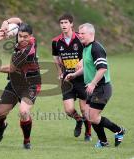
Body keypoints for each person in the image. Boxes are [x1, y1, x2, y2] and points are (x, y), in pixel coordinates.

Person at [65, 23, 125, 148]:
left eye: (83, 33)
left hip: (101, 88)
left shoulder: (96, 48)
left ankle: (118, 130)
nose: (80, 36)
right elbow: (87, 67)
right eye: (79, 33)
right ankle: (103, 142)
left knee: (92, 117)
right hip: (93, 88)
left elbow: (102, 69)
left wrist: (93, 83)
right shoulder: (86, 47)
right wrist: (75, 74)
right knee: (88, 116)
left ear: (91, 34)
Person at [0, 18, 41, 149]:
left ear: (31, 37)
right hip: (14, 83)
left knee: (24, 111)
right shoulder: (19, 37)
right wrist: (6, 25)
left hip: (31, 84)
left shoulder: (27, 50)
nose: (23, 39)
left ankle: (26, 140)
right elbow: (18, 20)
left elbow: (11, 68)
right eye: (20, 36)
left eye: (26, 37)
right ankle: (2, 126)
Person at [51, 13, 91, 141]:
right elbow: (56, 58)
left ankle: (88, 133)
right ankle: (78, 121)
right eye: (61, 23)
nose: (63, 25)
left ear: (71, 24)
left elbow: (90, 53)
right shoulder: (56, 41)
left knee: (85, 109)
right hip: (67, 79)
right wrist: (59, 72)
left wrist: (82, 61)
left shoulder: (80, 38)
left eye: (66, 23)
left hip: (83, 78)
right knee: (69, 110)